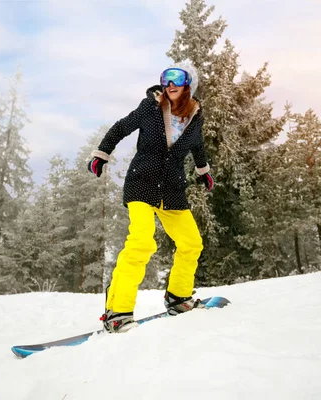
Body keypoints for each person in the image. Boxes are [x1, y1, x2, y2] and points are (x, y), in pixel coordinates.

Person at [88, 61, 214, 333]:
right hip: (142, 182)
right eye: (165, 78)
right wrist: (102, 154)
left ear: (188, 84)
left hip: (172, 188)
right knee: (142, 242)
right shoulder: (151, 107)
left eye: (176, 79)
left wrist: (204, 171)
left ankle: (178, 297)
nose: (169, 84)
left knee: (191, 243)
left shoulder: (195, 115)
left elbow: (198, 145)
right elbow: (121, 127)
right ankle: (118, 310)